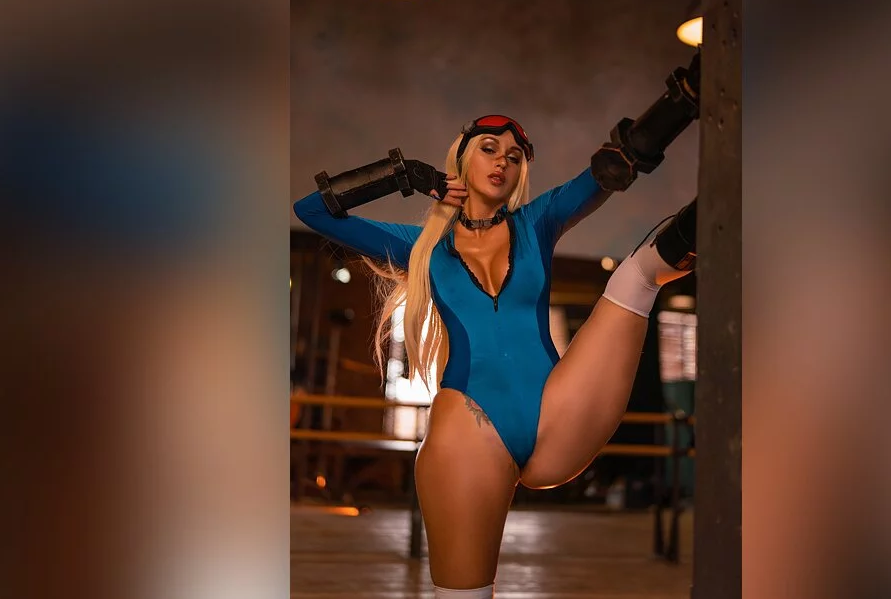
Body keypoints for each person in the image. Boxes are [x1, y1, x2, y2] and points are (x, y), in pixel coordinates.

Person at [294, 53, 701, 598]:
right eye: (488, 148)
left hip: (558, 410)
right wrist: (404, 175)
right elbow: (311, 210)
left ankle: (724, 165)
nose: (502, 162)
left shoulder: (537, 223)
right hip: (469, 428)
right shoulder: (422, 246)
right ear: (461, 160)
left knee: (637, 275)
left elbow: (611, 169)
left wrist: (686, 99)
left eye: (513, 156)